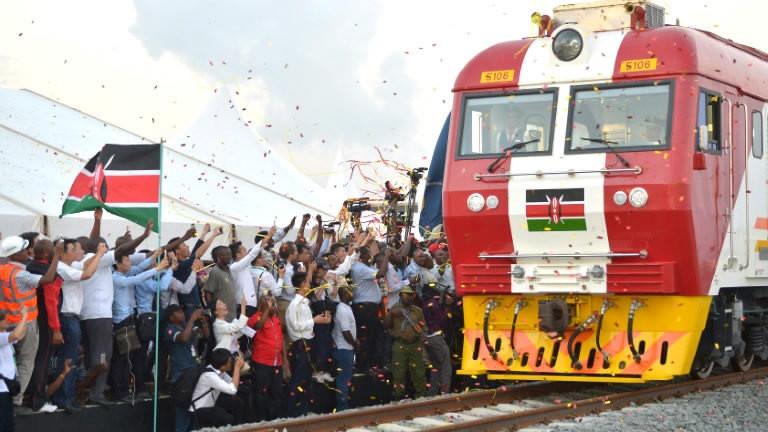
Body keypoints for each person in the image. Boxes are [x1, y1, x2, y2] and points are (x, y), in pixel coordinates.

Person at [80, 211, 152, 406]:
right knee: (104, 356)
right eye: (103, 246)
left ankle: (90, 391)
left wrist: (97, 221)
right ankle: (96, 393)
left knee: (96, 355)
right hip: (100, 316)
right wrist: (143, 237)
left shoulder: (86, 260)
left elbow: (93, 241)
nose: (106, 248)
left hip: (90, 315)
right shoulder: (99, 259)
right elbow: (121, 251)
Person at [0, 235, 61, 409]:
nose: (28, 252)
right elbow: (47, 279)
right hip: (25, 323)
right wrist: (56, 256)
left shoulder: (2, 270)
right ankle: (15, 399)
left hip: (6, 323)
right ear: (16, 254)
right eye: (24, 250)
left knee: (9, 362)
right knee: (26, 362)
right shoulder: (21, 275)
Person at [53, 238, 105, 413]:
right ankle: (64, 398)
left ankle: (69, 397)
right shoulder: (60, 267)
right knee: (67, 359)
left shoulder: (69, 266)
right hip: (67, 317)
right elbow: (86, 274)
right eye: (75, 249)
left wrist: (99, 254)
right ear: (64, 253)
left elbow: (85, 265)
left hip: (73, 317)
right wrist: (99, 254)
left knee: (73, 358)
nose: (79, 252)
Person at [109, 252, 170, 401]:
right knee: (122, 358)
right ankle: (120, 392)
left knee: (128, 357)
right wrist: (157, 268)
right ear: (118, 263)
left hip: (130, 318)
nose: (130, 262)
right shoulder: (116, 278)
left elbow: (140, 269)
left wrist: (154, 257)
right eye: (127, 259)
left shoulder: (126, 273)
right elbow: (138, 277)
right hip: (121, 320)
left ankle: (125, 389)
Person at [285, 263, 331, 417]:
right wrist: (314, 321)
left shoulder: (304, 303)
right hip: (300, 344)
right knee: (298, 379)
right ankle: (293, 412)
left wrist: (319, 321)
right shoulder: (295, 304)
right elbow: (295, 326)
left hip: (308, 343)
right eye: (307, 282)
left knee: (306, 379)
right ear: (302, 285)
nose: (310, 284)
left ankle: (304, 410)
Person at [166, 305, 207, 432]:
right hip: (181, 376)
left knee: (194, 411)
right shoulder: (170, 329)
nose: (182, 313)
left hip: (194, 372)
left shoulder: (186, 326)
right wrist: (192, 319)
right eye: (178, 312)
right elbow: (183, 338)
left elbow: (206, 335)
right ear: (171, 317)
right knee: (183, 413)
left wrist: (203, 321)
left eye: (182, 311)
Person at [384, 285, 426, 400]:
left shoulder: (418, 311)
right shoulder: (394, 309)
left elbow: (423, 327)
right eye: (405, 295)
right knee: (398, 372)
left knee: (419, 372)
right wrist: (391, 314)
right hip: (400, 344)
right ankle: (398, 396)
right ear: (400, 296)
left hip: (415, 344)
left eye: (409, 295)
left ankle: (421, 395)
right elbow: (386, 326)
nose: (407, 297)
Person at [349, 246, 388, 372]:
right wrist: (387, 256)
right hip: (364, 308)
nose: (371, 257)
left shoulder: (364, 267)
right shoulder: (359, 268)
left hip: (368, 308)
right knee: (366, 339)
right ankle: (363, 367)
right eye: (369, 255)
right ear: (363, 256)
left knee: (372, 338)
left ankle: (370, 365)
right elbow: (381, 274)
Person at [246, 293, 283, 421]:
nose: (270, 302)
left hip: (277, 362)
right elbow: (257, 327)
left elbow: (281, 340)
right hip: (262, 362)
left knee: (277, 392)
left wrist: (286, 363)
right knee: (261, 392)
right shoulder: (256, 317)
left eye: (271, 300)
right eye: (267, 300)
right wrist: (266, 310)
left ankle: (275, 419)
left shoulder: (276, 319)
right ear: (261, 303)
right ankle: (261, 420)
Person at [190, 348, 246, 427]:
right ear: (222, 366)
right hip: (200, 410)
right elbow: (232, 390)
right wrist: (237, 368)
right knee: (227, 418)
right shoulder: (209, 375)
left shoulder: (218, 369)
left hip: (211, 404)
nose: (232, 363)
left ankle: (239, 428)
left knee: (237, 403)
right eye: (230, 362)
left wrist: (238, 366)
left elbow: (232, 382)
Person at [1, 307, 29, 432]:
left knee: (8, 425)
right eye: (3, 319)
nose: (7, 321)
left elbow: (21, 334)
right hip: (1, 389)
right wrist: (24, 316)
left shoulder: (4, 335)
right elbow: (16, 334)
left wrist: (24, 319)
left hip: (7, 388)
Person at [421, 283, 452, 395]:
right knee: (445, 365)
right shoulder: (433, 304)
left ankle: (433, 392)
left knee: (435, 367)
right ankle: (445, 392)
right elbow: (442, 320)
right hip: (436, 338)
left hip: (427, 338)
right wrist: (447, 307)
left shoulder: (424, 304)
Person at [331, 286, 357, 411]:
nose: (352, 294)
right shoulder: (342, 309)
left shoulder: (347, 308)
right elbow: (346, 332)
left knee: (345, 378)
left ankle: (343, 406)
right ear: (344, 295)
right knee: (343, 379)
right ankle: (342, 408)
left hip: (347, 348)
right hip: (343, 349)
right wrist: (355, 344)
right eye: (349, 291)